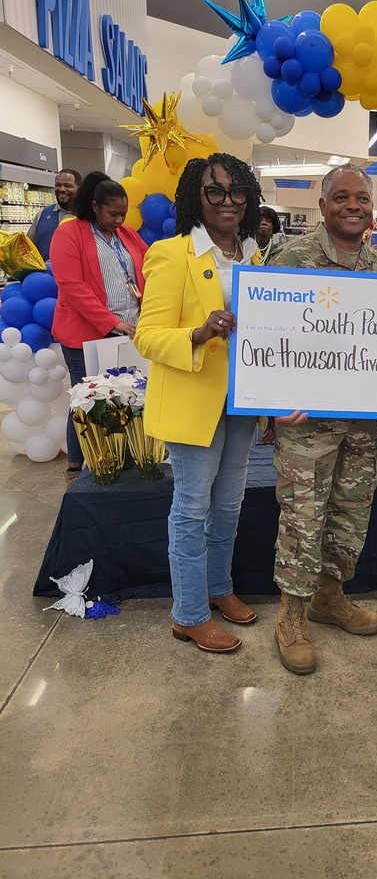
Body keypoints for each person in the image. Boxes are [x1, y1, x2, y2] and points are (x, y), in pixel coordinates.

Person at [134, 153, 306, 654]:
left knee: (229, 504)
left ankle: (218, 586)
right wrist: (198, 332)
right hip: (193, 401)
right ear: (197, 196)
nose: (227, 201)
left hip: (241, 403)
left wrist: (273, 399)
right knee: (192, 507)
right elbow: (147, 336)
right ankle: (188, 613)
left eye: (237, 191)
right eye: (215, 191)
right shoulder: (171, 254)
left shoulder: (255, 256)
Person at [266, 163, 377, 674]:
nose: (352, 206)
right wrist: (270, 400)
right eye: (341, 197)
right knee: (303, 515)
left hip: (362, 421)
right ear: (322, 207)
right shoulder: (291, 259)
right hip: (307, 423)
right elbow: (264, 335)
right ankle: (291, 615)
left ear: (372, 207)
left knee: (350, 511)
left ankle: (328, 595)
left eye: (361, 198)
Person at [49, 171, 147, 478]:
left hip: (128, 331)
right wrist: (112, 322)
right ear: (94, 206)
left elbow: (150, 266)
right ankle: (77, 465)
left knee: (124, 397)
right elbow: (72, 286)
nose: (119, 220)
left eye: (123, 214)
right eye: (113, 213)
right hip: (86, 335)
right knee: (86, 399)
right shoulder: (69, 233)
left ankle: (120, 456)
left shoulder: (127, 235)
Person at [27, 168, 82, 261]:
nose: (62, 189)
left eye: (68, 186)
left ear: (79, 189)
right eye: (58, 185)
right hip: (46, 270)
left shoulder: (87, 216)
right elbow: (28, 248)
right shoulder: (42, 214)